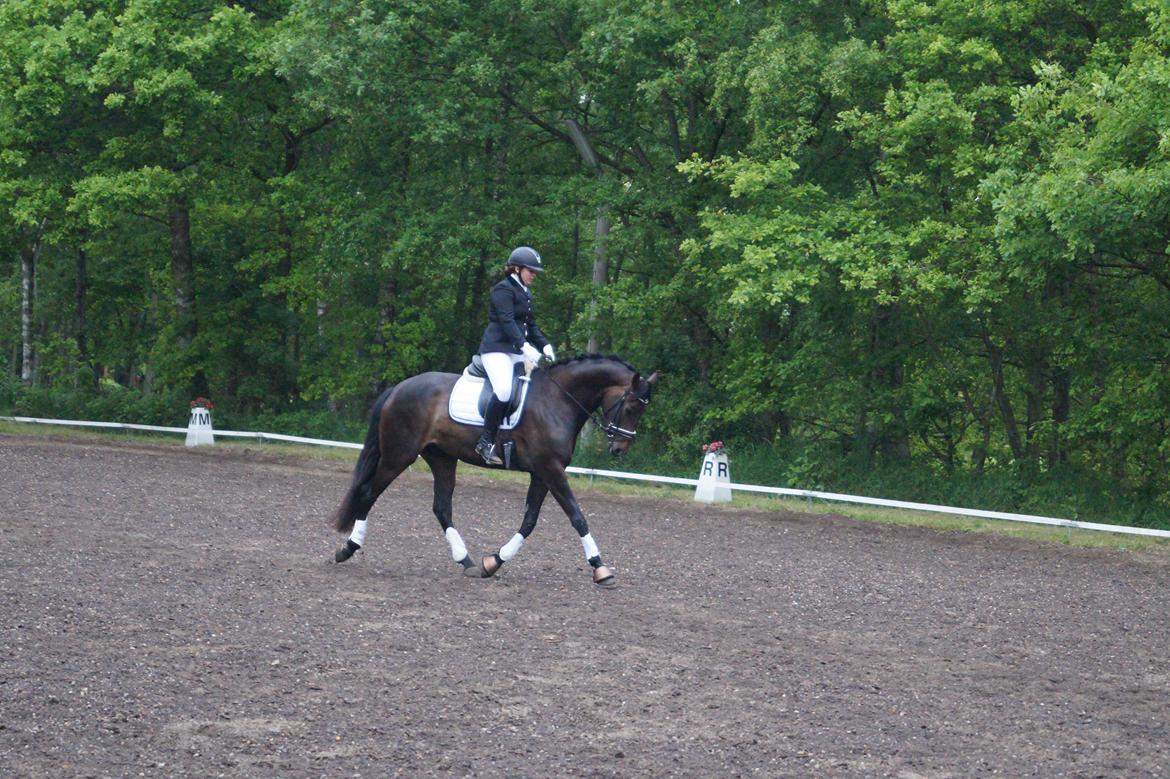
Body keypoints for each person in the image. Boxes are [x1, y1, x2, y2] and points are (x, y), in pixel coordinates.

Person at [475, 246, 556, 464]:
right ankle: (485, 442)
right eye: (531, 270)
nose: (534, 275)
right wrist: (525, 347)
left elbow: (531, 326)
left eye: (535, 271)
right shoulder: (503, 289)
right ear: (517, 269)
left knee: (538, 387)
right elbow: (507, 321)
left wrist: (545, 346)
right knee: (504, 391)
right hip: (496, 350)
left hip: (515, 351)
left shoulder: (525, 292)